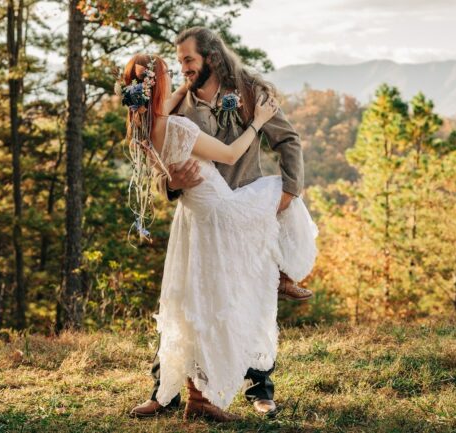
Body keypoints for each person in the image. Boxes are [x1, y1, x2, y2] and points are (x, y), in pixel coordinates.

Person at [120, 51, 317, 422]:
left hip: (218, 206)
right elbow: (213, 158)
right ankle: (176, 394)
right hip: (209, 213)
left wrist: (292, 184)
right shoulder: (176, 118)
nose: (183, 69)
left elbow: (287, 140)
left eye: (188, 60)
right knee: (197, 299)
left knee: (211, 299)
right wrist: (257, 122)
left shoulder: (153, 122)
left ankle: (237, 387)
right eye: (175, 65)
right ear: (159, 83)